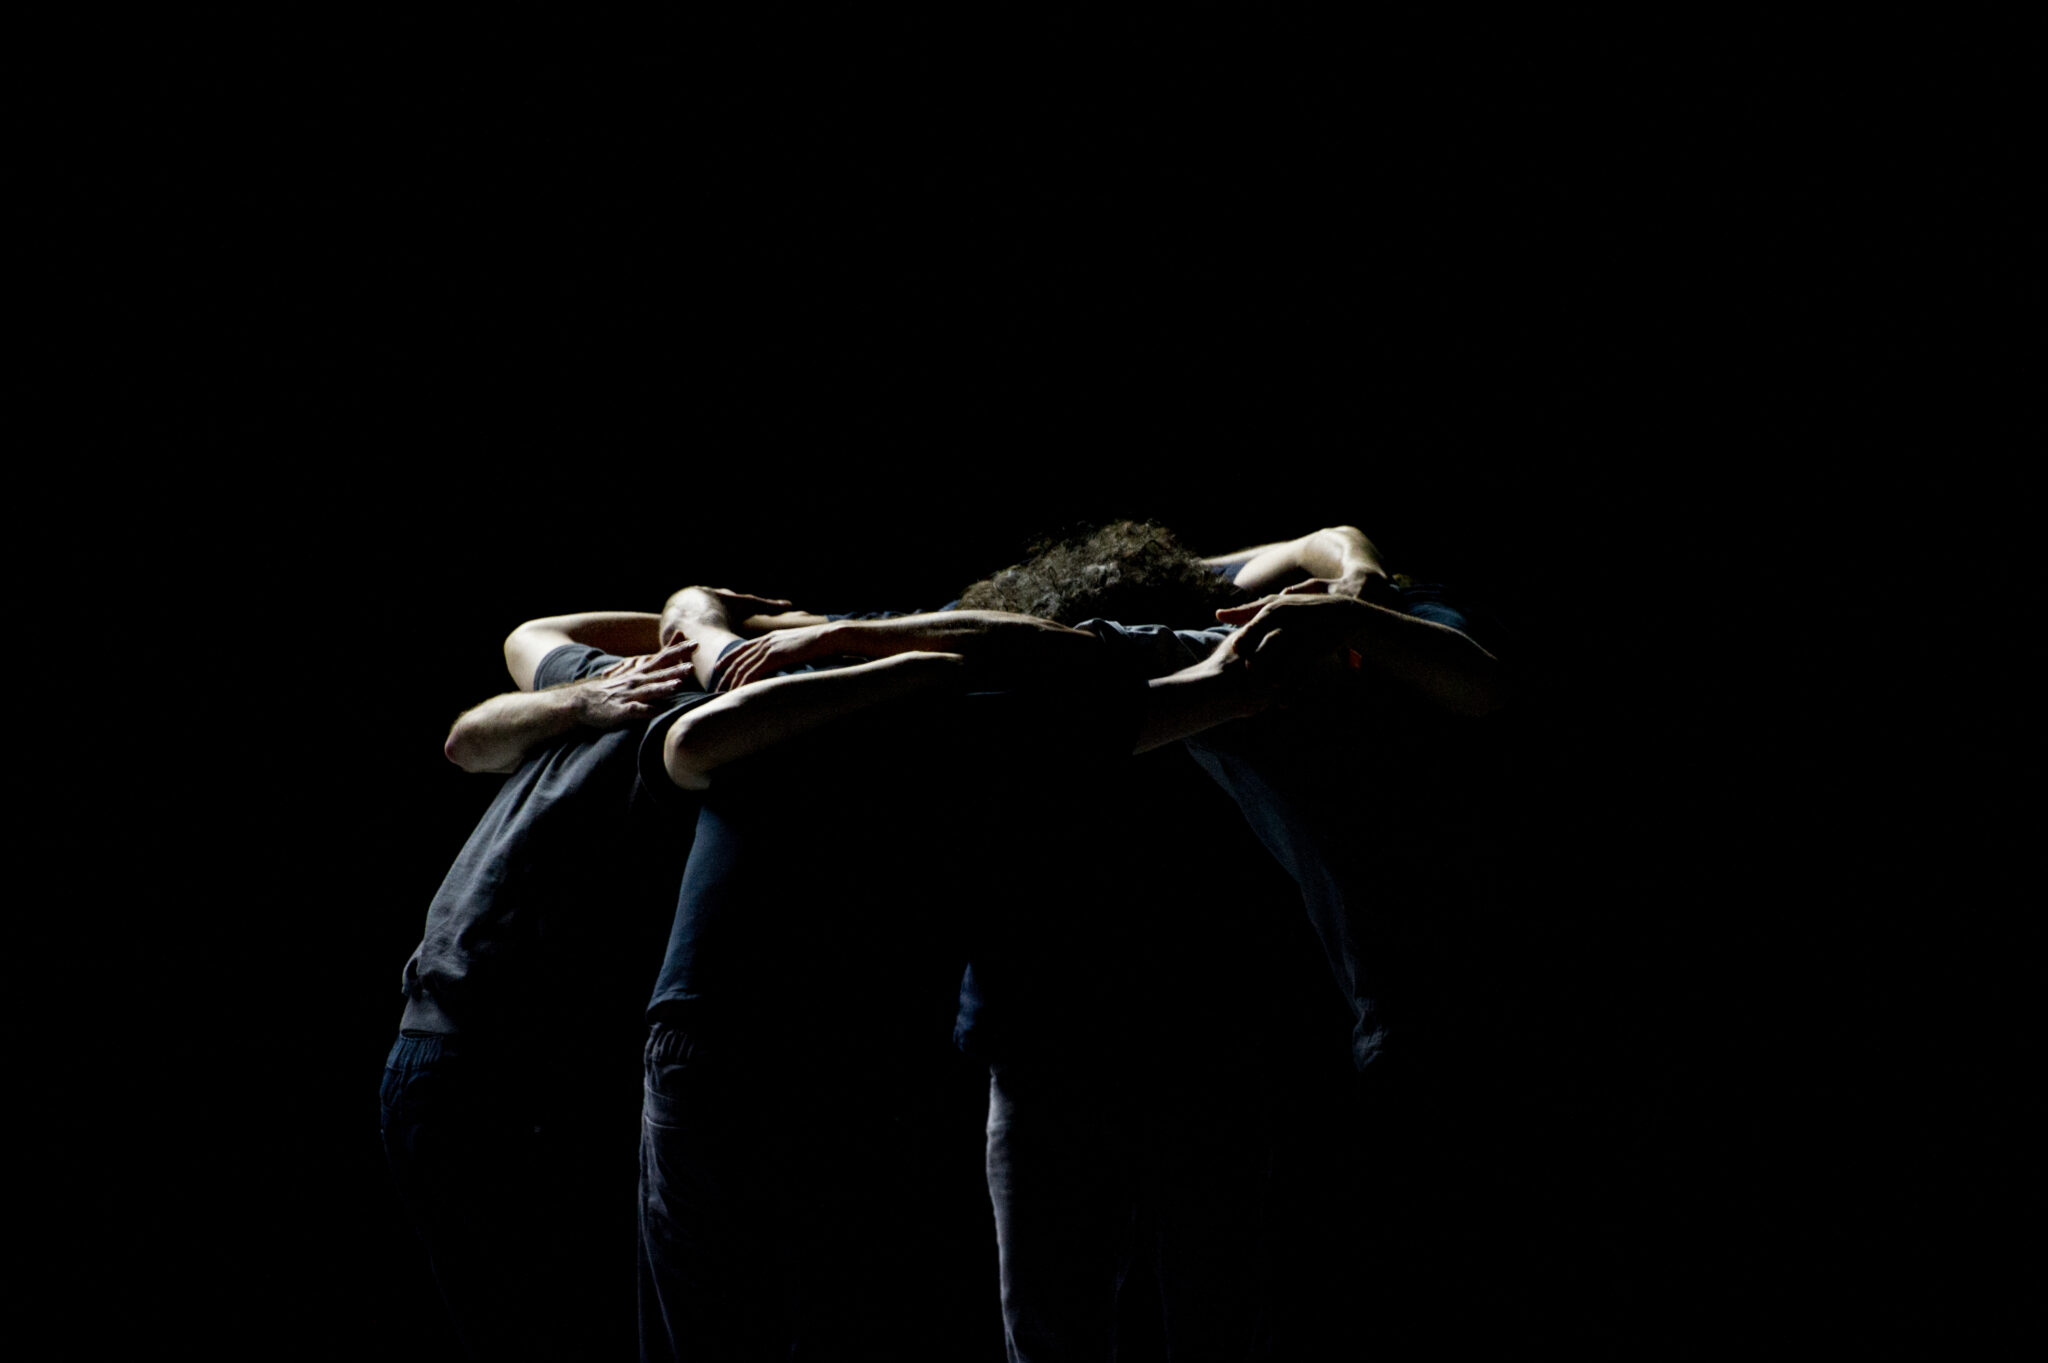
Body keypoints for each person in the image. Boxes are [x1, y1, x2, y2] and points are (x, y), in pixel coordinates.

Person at [635, 582, 1305, 1362]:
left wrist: (844, 644)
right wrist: (893, 658)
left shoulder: (971, 711)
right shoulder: (922, 698)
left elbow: (1151, 675)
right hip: (731, 1042)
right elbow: (692, 709)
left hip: (827, 1056)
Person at [379, 593, 788, 1361]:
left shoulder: (676, 681)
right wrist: (586, 696)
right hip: (486, 1062)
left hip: (479, 1051)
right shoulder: (657, 684)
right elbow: (466, 739)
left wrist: (710, 623)